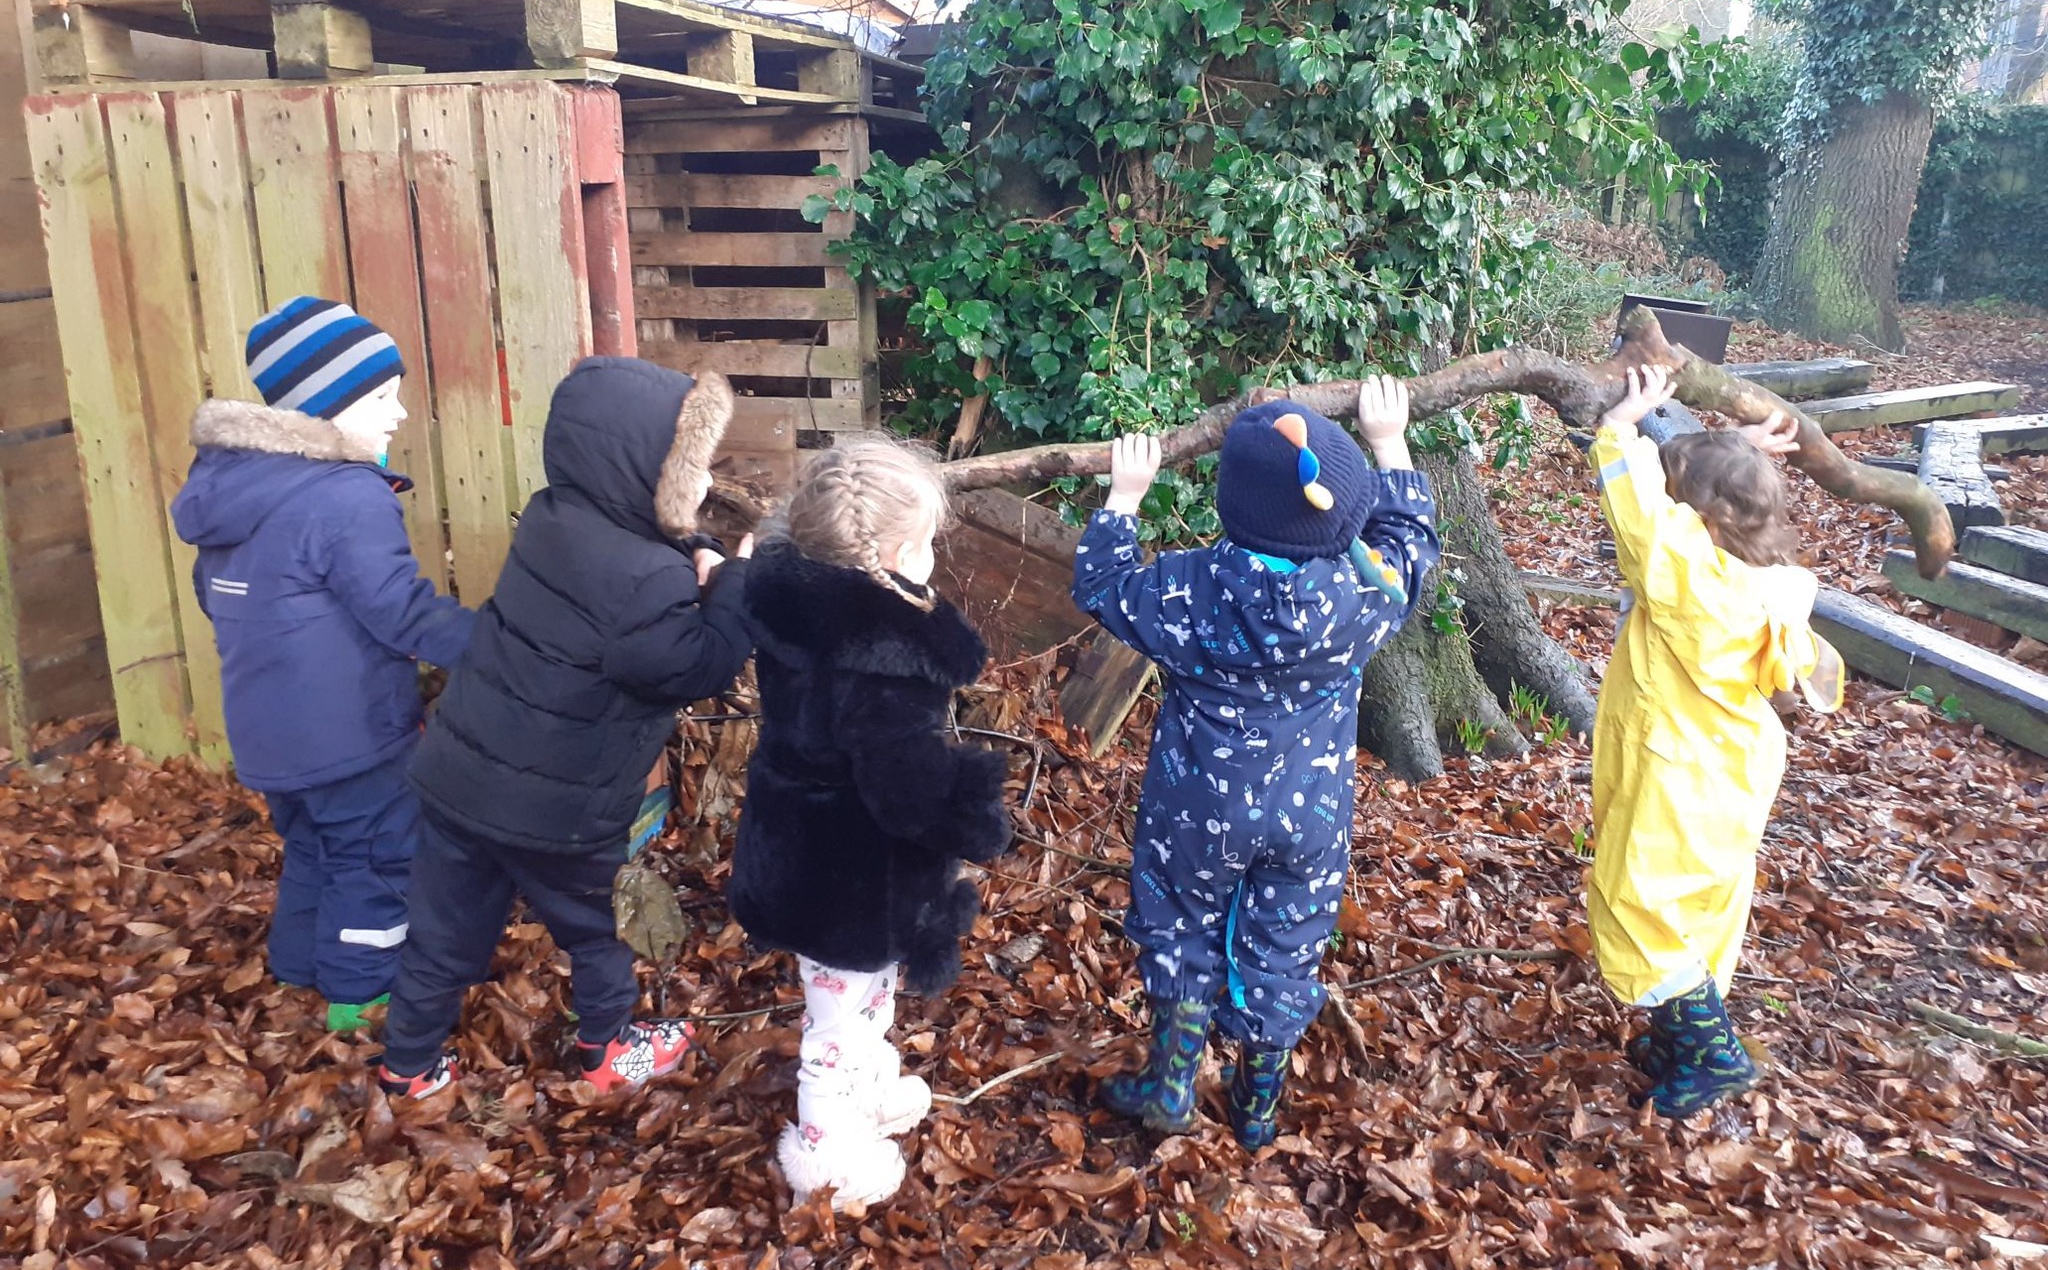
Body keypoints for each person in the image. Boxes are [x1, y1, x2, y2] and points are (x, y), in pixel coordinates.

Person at [1072, 379, 1440, 1148]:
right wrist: (1389, 441)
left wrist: (1125, 497)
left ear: (1230, 508)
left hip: (1197, 808)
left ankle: (1171, 1082)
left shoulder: (1187, 588)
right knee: (1286, 941)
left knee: (1179, 922)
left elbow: (1102, 585)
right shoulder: (1364, 591)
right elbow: (1411, 540)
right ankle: (1257, 1104)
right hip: (1310, 814)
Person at [375, 359, 754, 1100]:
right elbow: (694, 665)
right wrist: (735, 582)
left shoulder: (551, 518)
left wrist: (693, 549)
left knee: (442, 932)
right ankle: (608, 1049)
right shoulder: (649, 580)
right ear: (645, 473)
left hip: (459, 780)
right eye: (689, 468)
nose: (705, 482)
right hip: (558, 811)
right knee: (598, 927)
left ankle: (408, 1066)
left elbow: (620, 567)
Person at [171, 295, 474, 1034]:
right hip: (350, 734)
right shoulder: (344, 496)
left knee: (314, 848)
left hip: (267, 734)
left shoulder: (235, 485)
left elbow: (214, 597)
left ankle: (296, 972)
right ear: (325, 407)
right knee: (377, 861)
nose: (399, 413)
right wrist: (500, 643)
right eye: (381, 397)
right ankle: (362, 1002)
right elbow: (400, 610)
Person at [727, 438, 1012, 1207]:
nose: (932, 559)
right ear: (892, 558)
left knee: (859, 997)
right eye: (924, 545)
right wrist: (972, 813)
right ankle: (826, 1157)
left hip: (793, 848)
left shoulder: (794, 608)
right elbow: (903, 787)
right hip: (853, 877)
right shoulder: (887, 663)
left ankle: (868, 1088)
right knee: (835, 1024)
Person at [1585, 366, 1844, 1119]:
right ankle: (1680, 1036)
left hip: (1677, 769)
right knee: (1703, 902)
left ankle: (1713, 1053)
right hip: (1735, 767)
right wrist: (1742, 449)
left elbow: (1643, 517)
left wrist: (1620, 426)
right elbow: (1702, 506)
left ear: (1698, 516)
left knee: (1637, 902)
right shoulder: (1769, 579)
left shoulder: (1688, 579)